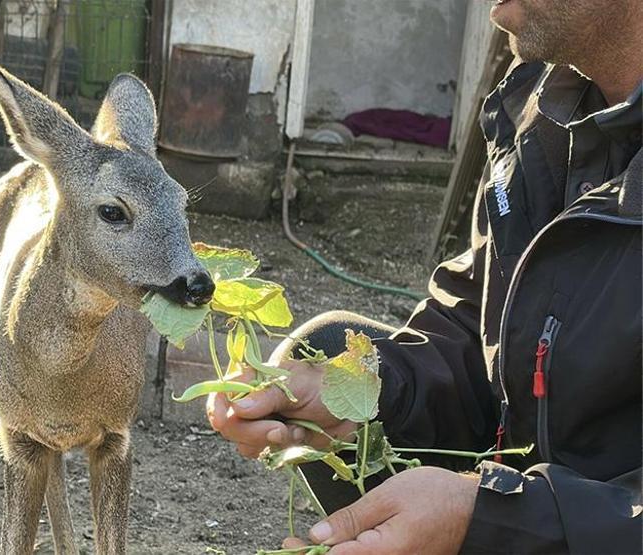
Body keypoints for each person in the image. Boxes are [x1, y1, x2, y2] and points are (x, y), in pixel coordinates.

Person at [208, 1, 643, 553]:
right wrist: (366, 394)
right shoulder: (537, 105)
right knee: (331, 353)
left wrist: (488, 519)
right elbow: (480, 324)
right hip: (545, 509)